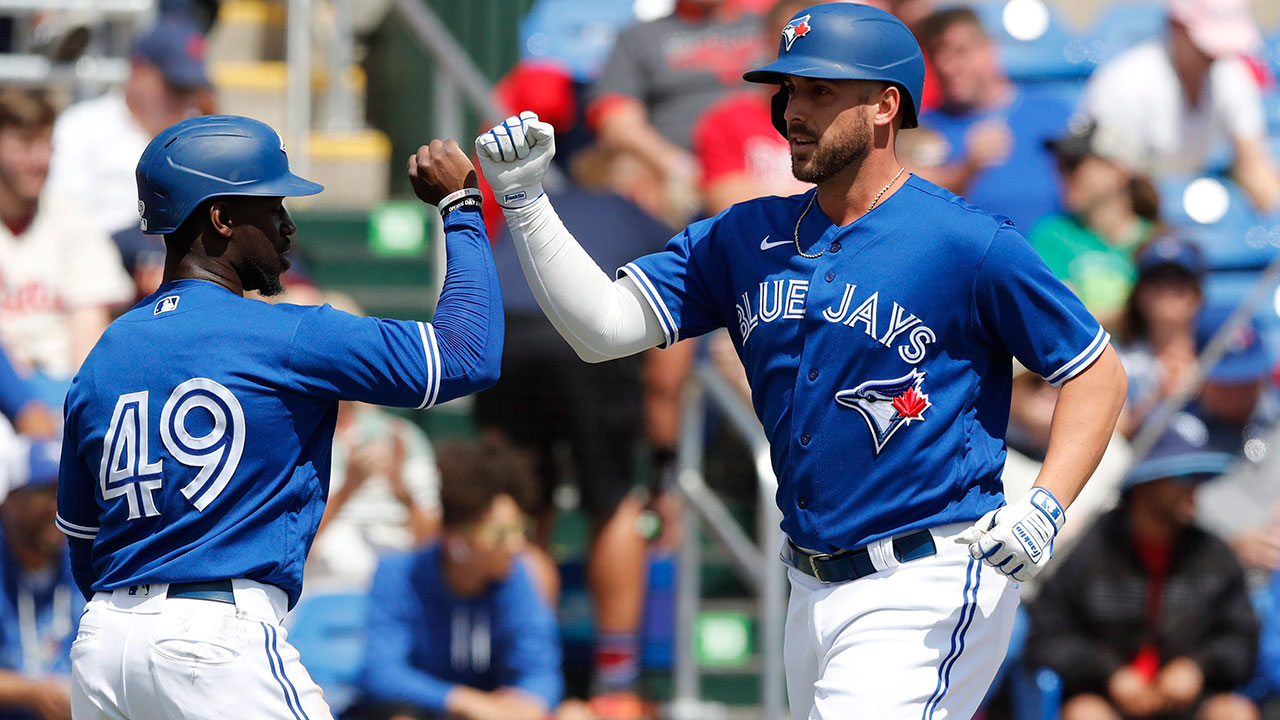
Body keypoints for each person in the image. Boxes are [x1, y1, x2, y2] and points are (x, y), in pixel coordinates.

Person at [476, 4, 1128, 718]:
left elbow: (1096, 370)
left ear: (885, 106)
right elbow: (603, 328)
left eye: (821, 91)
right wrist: (526, 201)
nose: (793, 110)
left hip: (926, 578)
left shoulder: (965, 241)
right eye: (788, 90)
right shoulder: (743, 235)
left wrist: (1046, 504)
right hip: (810, 584)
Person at [55, 115, 503, 720]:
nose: (288, 226)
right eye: (272, 207)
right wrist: (462, 206)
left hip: (104, 647)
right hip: (214, 641)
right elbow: (468, 355)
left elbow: (85, 549)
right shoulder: (286, 333)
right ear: (221, 218)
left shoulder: (104, 355)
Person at [474, 142, 673, 717]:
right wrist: (664, 465)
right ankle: (615, 683)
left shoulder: (536, 208)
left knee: (521, 511)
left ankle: (527, 677)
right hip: (586, 342)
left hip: (505, 332)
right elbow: (667, 376)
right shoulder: (645, 220)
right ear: (639, 185)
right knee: (614, 504)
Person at [1025, 421, 1260, 720]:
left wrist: (1197, 668)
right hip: (1105, 699)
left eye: (1201, 475)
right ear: (1144, 482)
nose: (1195, 487)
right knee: (1085, 714)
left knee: (1235, 714)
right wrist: (1108, 673)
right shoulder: (1086, 552)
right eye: (1183, 475)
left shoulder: (1214, 555)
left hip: (1189, 703)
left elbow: (1242, 639)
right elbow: (1046, 638)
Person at [350, 435, 577, 720]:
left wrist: (527, 703)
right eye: (500, 535)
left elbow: (541, 672)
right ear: (456, 542)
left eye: (520, 529)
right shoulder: (398, 575)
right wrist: (463, 700)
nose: (516, 544)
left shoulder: (517, 576)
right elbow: (381, 674)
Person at [1079, 0, 1280, 213]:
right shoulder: (1123, 84)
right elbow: (1103, 185)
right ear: (1175, 25)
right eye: (1205, 48)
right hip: (1137, 214)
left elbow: (1253, 166)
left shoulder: (1232, 75)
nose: (1213, 57)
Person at [0, 88, 133, 400]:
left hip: (60, 389)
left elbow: (89, 337)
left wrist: (75, 408)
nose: (40, 160)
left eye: (47, 145)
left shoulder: (73, 221)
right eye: (25, 143)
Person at [588, 0, 765, 222]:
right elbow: (616, 119)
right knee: (629, 173)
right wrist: (675, 164)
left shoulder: (767, 25)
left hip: (764, 154)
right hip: (679, 164)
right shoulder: (639, 36)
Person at [47, 16, 213, 238]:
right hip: (99, 252)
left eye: (193, 90)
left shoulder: (200, 139)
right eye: (176, 87)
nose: (186, 101)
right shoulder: (81, 126)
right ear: (138, 71)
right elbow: (65, 215)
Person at [910, 6, 1071, 232]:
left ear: (989, 48)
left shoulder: (1053, 113)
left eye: (960, 52)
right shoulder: (922, 129)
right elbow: (915, 206)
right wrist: (968, 168)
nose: (947, 67)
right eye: (937, 54)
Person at [1030, 121, 1164, 329]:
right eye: (1060, 164)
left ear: (1118, 171)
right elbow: (1061, 320)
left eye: (1073, 163)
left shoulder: (1159, 243)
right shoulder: (1051, 235)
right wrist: (1136, 316)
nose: (1060, 173)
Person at [691, 0, 813, 216]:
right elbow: (730, 209)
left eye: (812, 40)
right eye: (791, 37)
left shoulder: (847, 118)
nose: (799, 49)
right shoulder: (726, 120)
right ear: (767, 38)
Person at [0, 439, 81, 720]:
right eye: (45, 491)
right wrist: (33, 693)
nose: (57, 505)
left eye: (66, 491)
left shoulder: (86, 561)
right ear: (9, 501)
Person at [1114, 236, 1207, 437]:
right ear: (1139, 292)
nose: (1167, 288)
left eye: (1180, 279)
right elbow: (1114, 436)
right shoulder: (1117, 359)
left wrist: (1209, 387)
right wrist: (1160, 396)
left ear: (1197, 293)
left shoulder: (1219, 347)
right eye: (1155, 279)